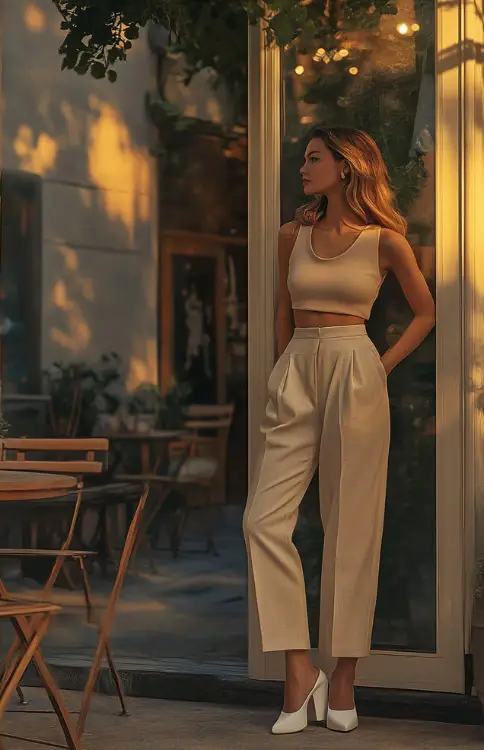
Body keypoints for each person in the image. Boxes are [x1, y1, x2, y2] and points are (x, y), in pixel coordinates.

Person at [243, 127, 435, 735]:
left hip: (356, 366)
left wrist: (379, 365)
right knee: (262, 521)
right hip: (297, 365)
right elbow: (281, 309)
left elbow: (425, 312)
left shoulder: (386, 242)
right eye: (303, 159)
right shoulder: (290, 237)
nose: (303, 168)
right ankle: (300, 671)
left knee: (352, 529)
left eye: (314, 158)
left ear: (347, 166)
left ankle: (344, 678)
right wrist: (279, 373)